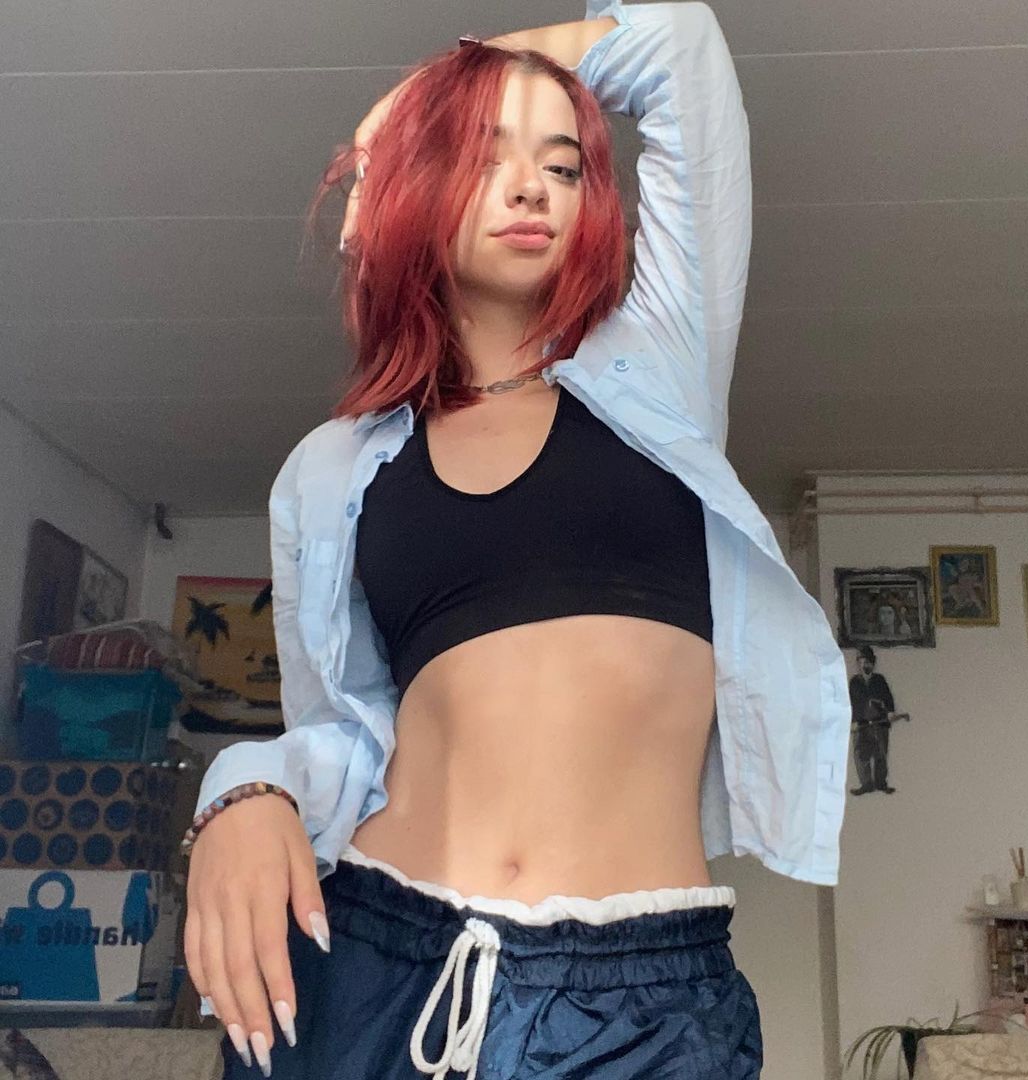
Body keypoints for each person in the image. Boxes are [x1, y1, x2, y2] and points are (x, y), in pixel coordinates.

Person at [181, 3, 851, 1077]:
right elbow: (349, 735)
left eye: (563, 163)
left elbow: (680, 46)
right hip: (372, 959)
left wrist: (440, 87)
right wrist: (245, 790)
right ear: (416, 189)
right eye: (484, 154)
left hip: (640, 1000)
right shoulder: (334, 469)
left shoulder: (658, 375)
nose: (533, 186)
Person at [848, 645, 897, 795]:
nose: (865, 665)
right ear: (858, 663)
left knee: (880, 753)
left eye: (868, 662)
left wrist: (890, 712)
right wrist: (852, 721)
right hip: (860, 724)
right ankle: (866, 784)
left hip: (879, 723)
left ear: (873, 663)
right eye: (862, 662)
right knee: (861, 754)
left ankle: (881, 783)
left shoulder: (879, 680)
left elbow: (888, 698)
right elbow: (850, 703)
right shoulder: (854, 682)